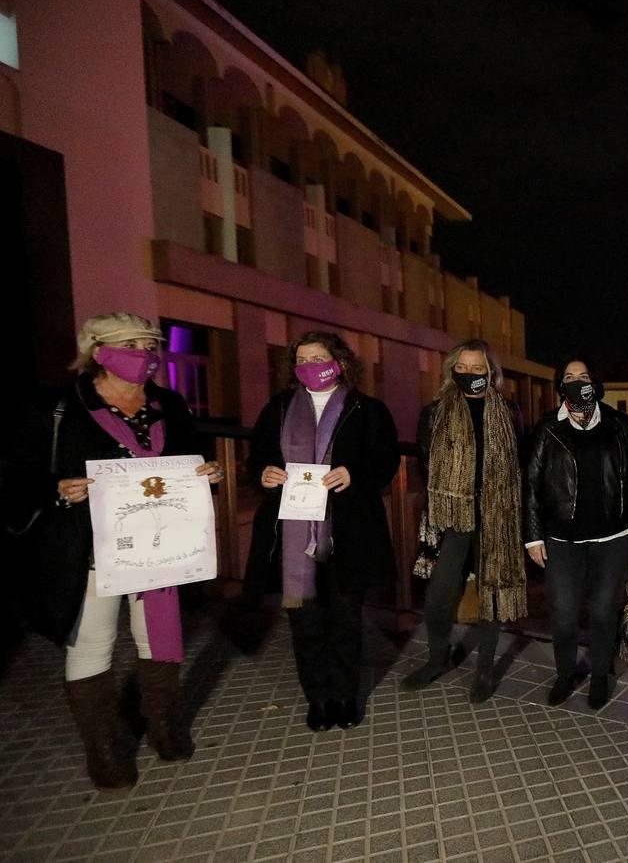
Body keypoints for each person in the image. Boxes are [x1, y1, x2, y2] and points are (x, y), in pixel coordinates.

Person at [26, 313, 223, 789]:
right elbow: (21, 478)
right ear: (98, 351)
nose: (145, 352)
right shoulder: (59, 406)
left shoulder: (169, 403)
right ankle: (105, 750)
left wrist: (207, 475)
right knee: (92, 643)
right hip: (89, 548)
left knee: (158, 638)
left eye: (149, 344)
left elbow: (192, 457)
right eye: (131, 343)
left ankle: (164, 726)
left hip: (159, 547)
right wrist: (58, 490)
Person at [243, 331, 399, 732]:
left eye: (318, 357)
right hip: (292, 536)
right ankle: (318, 698)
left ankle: (345, 696)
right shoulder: (278, 408)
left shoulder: (367, 409)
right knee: (305, 624)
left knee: (346, 620)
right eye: (302, 359)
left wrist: (355, 473)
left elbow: (385, 462)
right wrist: (264, 472)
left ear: (340, 361)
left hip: (347, 533)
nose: (310, 366)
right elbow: (257, 458)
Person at [401, 340, 524, 703]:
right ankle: (437, 658)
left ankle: (484, 669)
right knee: (440, 592)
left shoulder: (509, 411)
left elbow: (518, 462)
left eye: (478, 368)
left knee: (493, 591)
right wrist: (451, 499)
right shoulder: (435, 411)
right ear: (453, 370)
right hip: (452, 515)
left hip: (497, 514)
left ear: (492, 373)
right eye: (464, 368)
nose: (471, 374)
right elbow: (426, 464)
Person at [522, 357, 628, 709]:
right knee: (563, 612)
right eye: (569, 377)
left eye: (584, 376)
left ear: (596, 381)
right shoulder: (548, 427)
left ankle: (600, 675)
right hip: (562, 539)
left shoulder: (619, 423)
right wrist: (533, 536)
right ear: (560, 385)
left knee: (604, 611)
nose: (577, 382)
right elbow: (531, 484)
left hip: (614, 536)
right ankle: (565, 673)